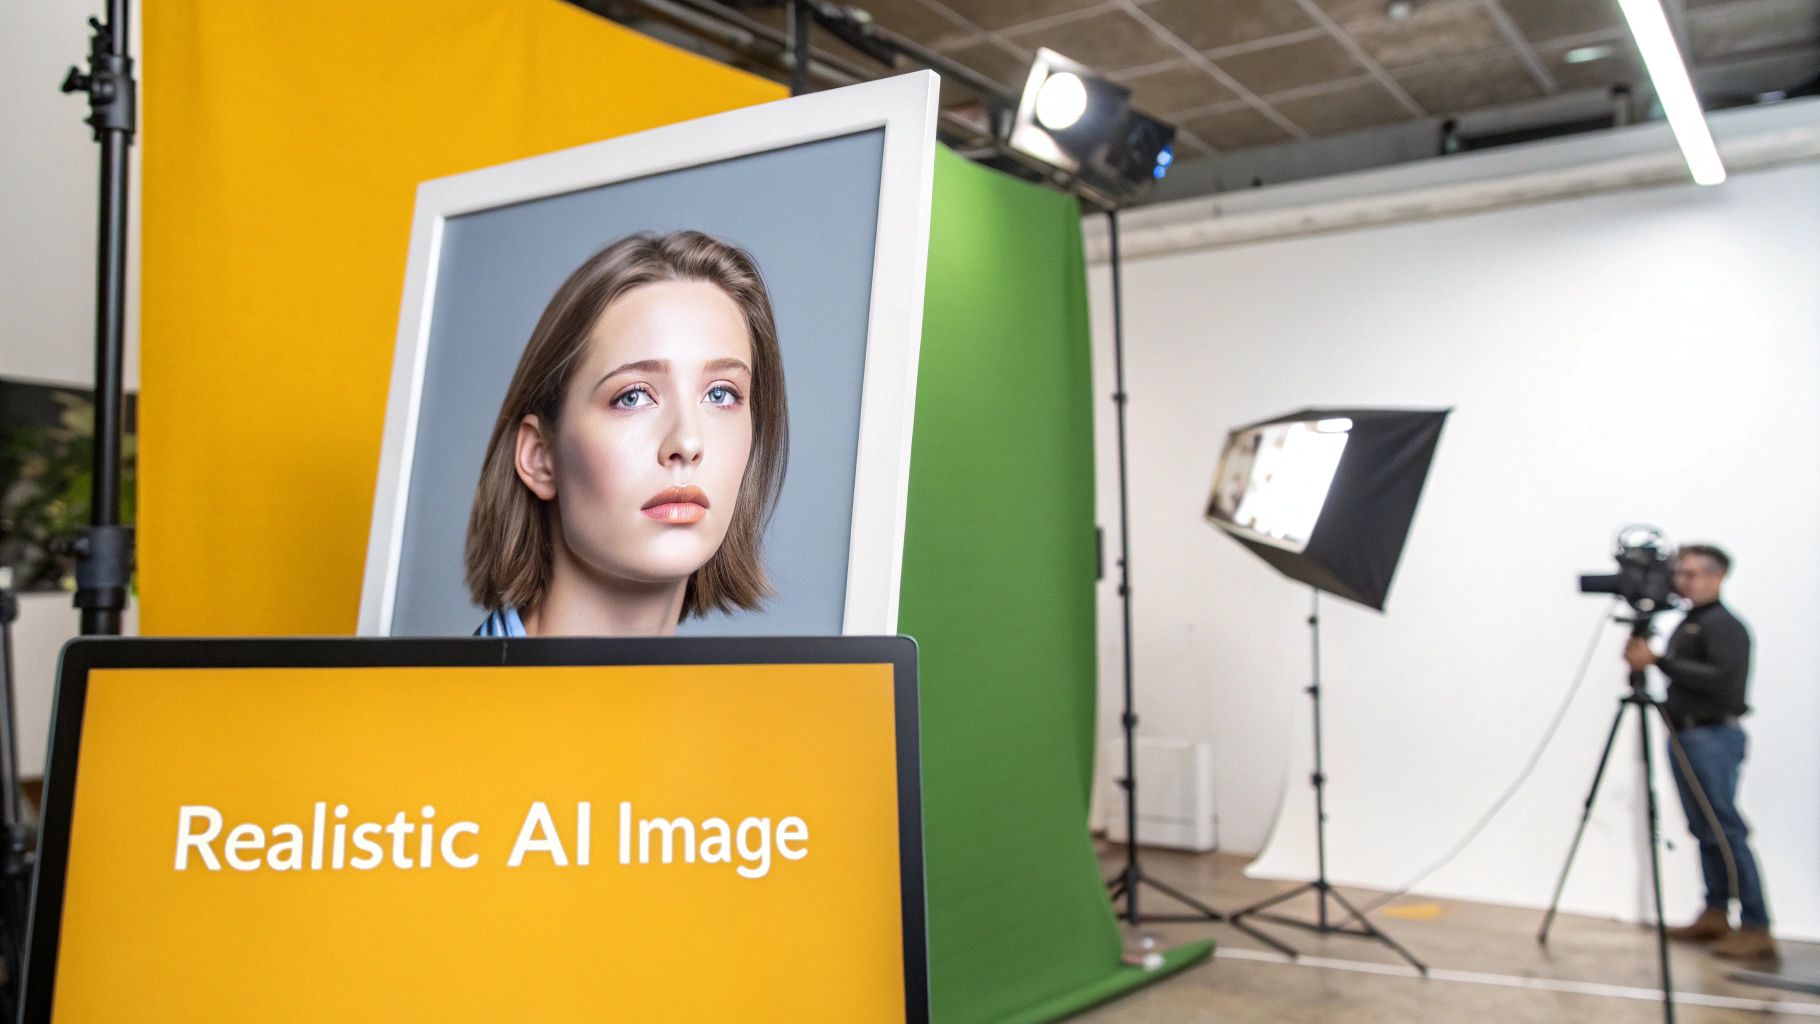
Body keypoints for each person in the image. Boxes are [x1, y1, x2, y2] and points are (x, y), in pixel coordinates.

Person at [465, 230, 788, 638]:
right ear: (540, 456)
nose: (687, 444)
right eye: (634, 397)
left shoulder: (764, 702)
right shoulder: (415, 703)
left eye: (721, 394)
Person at [1624, 543, 1775, 961]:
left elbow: (1722, 682)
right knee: (1705, 830)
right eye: (1679, 573)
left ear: (1716, 576)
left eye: (1690, 574)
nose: (1681, 581)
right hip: (1688, 735)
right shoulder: (1690, 622)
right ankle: (1715, 912)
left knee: (1725, 831)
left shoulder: (1723, 625)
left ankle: (1757, 924)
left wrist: (1658, 661)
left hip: (1711, 738)